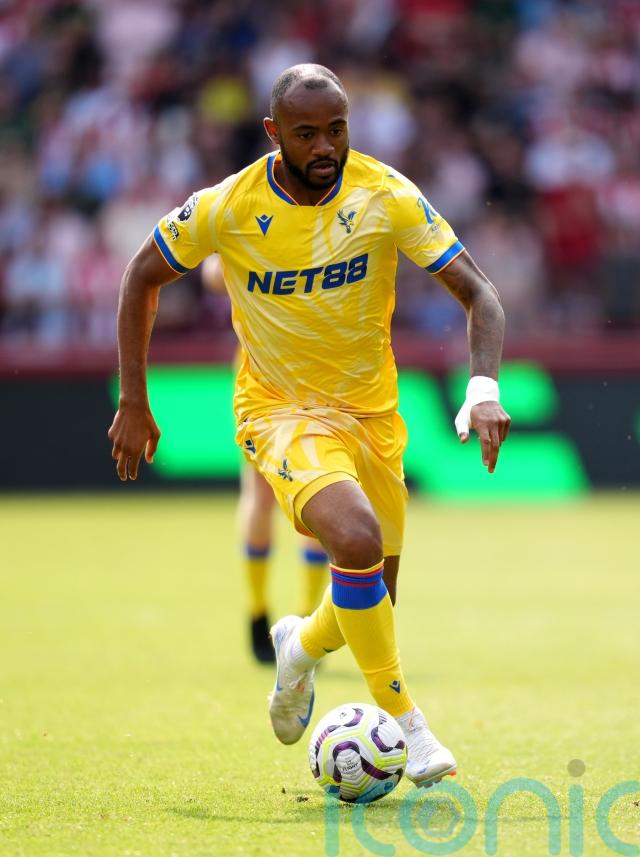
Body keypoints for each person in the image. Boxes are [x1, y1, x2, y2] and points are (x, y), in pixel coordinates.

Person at [108, 64, 511, 787]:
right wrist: (134, 400)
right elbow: (141, 275)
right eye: (306, 134)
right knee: (354, 539)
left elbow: (480, 293)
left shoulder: (385, 194)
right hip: (280, 410)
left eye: (336, 130)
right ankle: (410, 725)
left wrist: (482, 387)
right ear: (274, 133)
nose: (325, 146)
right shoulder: (228, 205)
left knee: (371, 596)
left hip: (373, 415)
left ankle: (296, 648)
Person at [202, 253, 329, 663]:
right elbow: (213, 273)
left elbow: (212, 273)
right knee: (275, 493)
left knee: (314, 491)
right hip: (268, 376)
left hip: (310, 372)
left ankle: (298, 615)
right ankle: (264, 612)